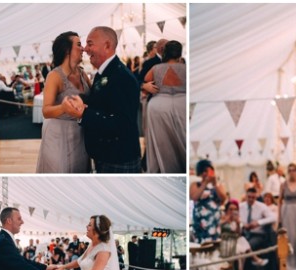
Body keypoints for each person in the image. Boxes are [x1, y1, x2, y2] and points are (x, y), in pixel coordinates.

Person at [63, 26, 141, 173]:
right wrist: (78, 98)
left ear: (107, 45)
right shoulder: (104, 73)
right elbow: (102, 102)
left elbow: (121, 124)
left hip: (118, 159)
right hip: (105, 155)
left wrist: (83, 114)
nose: (85, 49)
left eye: (90, 44)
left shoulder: (122, 77)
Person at [35, 33, 92, 172]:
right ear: (67, 50)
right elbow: (46, 111)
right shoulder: (54, 76)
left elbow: (92, 99)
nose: (83, 48)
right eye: (79, 45)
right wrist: (63, 107)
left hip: (80, 133)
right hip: (58, 135)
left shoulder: (82, 74)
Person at [143, 40, 186, 173]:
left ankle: (161, 168)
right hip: (181, 104)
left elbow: (145, 79)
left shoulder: (156, 68)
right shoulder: (186, 68)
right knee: (182, 139)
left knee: (160, 142)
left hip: (158, 106)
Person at [220, 200, 269, 270]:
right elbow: (219, 230)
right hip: (225, 243)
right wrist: (227, 220)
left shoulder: (236, 220)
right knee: (242, 246)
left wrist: (238, 223)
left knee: (241, 246)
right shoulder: (222, 218)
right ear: (226, 209)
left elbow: (238, 234)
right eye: (230, 209)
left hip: (234, 242)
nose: (232, 211)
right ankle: (255, 259)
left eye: (235, 209)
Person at [190, 159, 227, 242]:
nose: (205, 174)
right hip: (200, 219)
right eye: (203, 171)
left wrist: (215, 185)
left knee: (214, 242)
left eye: (208, 171)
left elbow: (223, 199)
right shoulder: (195, 184)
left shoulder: (219, 185)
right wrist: (205, 183)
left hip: (214, 219)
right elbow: (194, 197)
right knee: (200, 242)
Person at [239, 187, 277, 252]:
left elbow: (274, 217)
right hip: (243, 234)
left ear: (256, 197)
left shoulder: (261, 206)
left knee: (247, 246)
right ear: (246, 196)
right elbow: (237, 219)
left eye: (253, 197)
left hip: (257, 235)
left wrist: (258, 223)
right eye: (249, 197)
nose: (251, 199)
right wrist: (242, 225)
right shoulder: (240, 206)